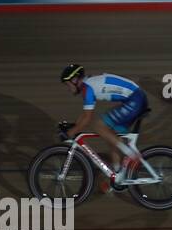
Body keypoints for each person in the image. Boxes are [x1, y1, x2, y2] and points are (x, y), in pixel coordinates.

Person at [60, 64, 150, 192]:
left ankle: (131, 154)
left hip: (135, 100)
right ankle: (119, 175)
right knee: (110, 134)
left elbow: (87, 118)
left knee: (98, 125)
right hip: (135, 99)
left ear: (75, 80)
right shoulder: (88, 85)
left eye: (67, 84)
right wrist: (74, 126)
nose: (68, 89)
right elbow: (85, 114)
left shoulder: (87, 88)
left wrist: (70, 133)